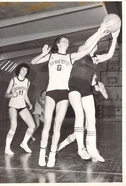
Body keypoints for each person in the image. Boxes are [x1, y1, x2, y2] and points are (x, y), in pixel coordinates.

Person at [31, 23, 108, 167]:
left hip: (64, 93)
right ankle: (42, 154)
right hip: (51, 92)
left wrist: (100, 32)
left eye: (68, 41)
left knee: (57, 126)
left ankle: (52, 154)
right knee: (47, 124)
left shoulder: (71, 57)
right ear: (58, 44)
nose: (67, 42)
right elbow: (33, 62)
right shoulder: (51, 56)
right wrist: (43, 53)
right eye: (64, 41)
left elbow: (86, 49)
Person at [58, 28, 120, 162]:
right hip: (74, 85)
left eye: (96, 45)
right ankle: (81, 148)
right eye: (93, 43)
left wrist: (114, 37)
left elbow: (109, 55)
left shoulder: (95, 59)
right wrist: (100, 31)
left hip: (86, 87)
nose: (94, 46)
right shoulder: (81, 51)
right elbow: (87, 44)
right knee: (80, 114)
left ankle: (92, 149)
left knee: (91, 117)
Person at [57, 73, 108, 152]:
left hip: (92, 109)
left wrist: (102, 91)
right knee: (81, 131)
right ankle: (62, 146)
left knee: (85, 130)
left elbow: (106, 96)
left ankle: (90, 149)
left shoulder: (99, 84)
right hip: (82, 108)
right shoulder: (82, 84)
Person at [4, 63, 36, 156]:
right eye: (23, 69)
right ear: (19, 70)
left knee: (32, 126)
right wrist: (11, 95)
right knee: (14, 126)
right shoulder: (13, 80)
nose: (24, 71)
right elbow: (6, 94)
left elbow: (25, 94)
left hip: (22, 106)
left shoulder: (27, 82)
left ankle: (24, 143)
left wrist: (29, 103)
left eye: (26, 70)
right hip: (13, 106)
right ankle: (7, 148)